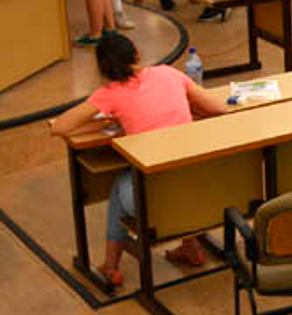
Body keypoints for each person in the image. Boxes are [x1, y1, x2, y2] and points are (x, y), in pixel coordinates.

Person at [49, 33, 229, 282]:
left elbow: (58, 127)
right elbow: (219, 108)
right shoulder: (168, 73)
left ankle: (110, 268)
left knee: (119, 188)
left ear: (104, 70)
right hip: (198, 186)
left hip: (155, 199)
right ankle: (191, 246)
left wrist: (108, 119)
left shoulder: (109, 94)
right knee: (177, 168)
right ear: (138, 55)